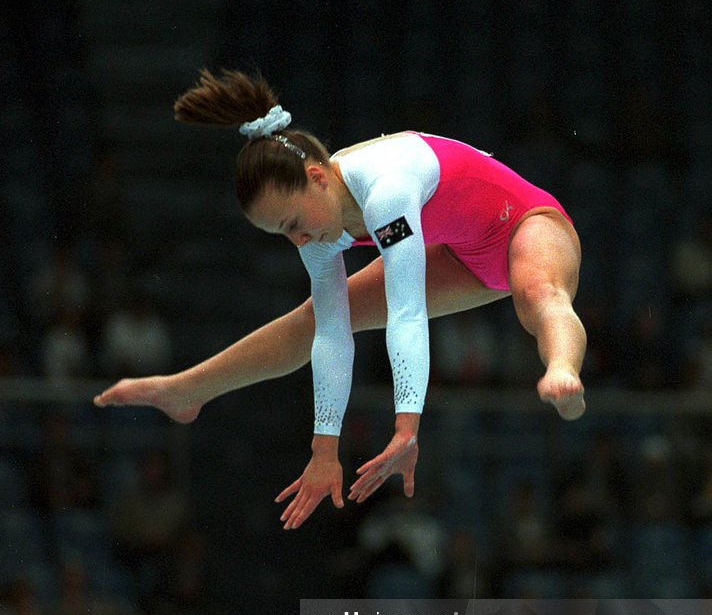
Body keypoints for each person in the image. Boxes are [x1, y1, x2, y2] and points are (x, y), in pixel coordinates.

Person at [94, 69, 587, 528]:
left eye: (292, 225)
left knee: (539, 291)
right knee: (313, 318)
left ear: (317, 177)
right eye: (281, 234)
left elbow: (407, 309)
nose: (299, 242)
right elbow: (331, 333)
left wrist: (406, 425)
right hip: (457, 253)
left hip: (525, 223)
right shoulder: (320, 225)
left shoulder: (387, 192)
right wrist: (323, 447)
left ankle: (562, 367)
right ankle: (189, 389)